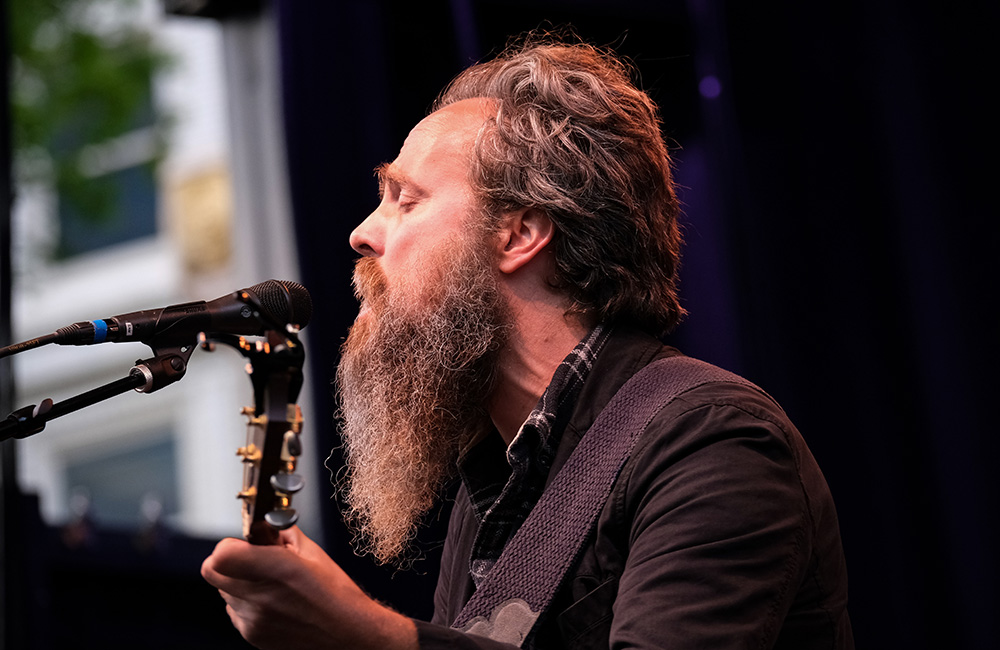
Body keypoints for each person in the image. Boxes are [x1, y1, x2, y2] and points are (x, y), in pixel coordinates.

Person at [201, 37, 853, 650]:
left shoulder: (713, 441)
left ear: (519, 235)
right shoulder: (491, 481)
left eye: (405, 198)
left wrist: (371, 638)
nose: (362, 232)